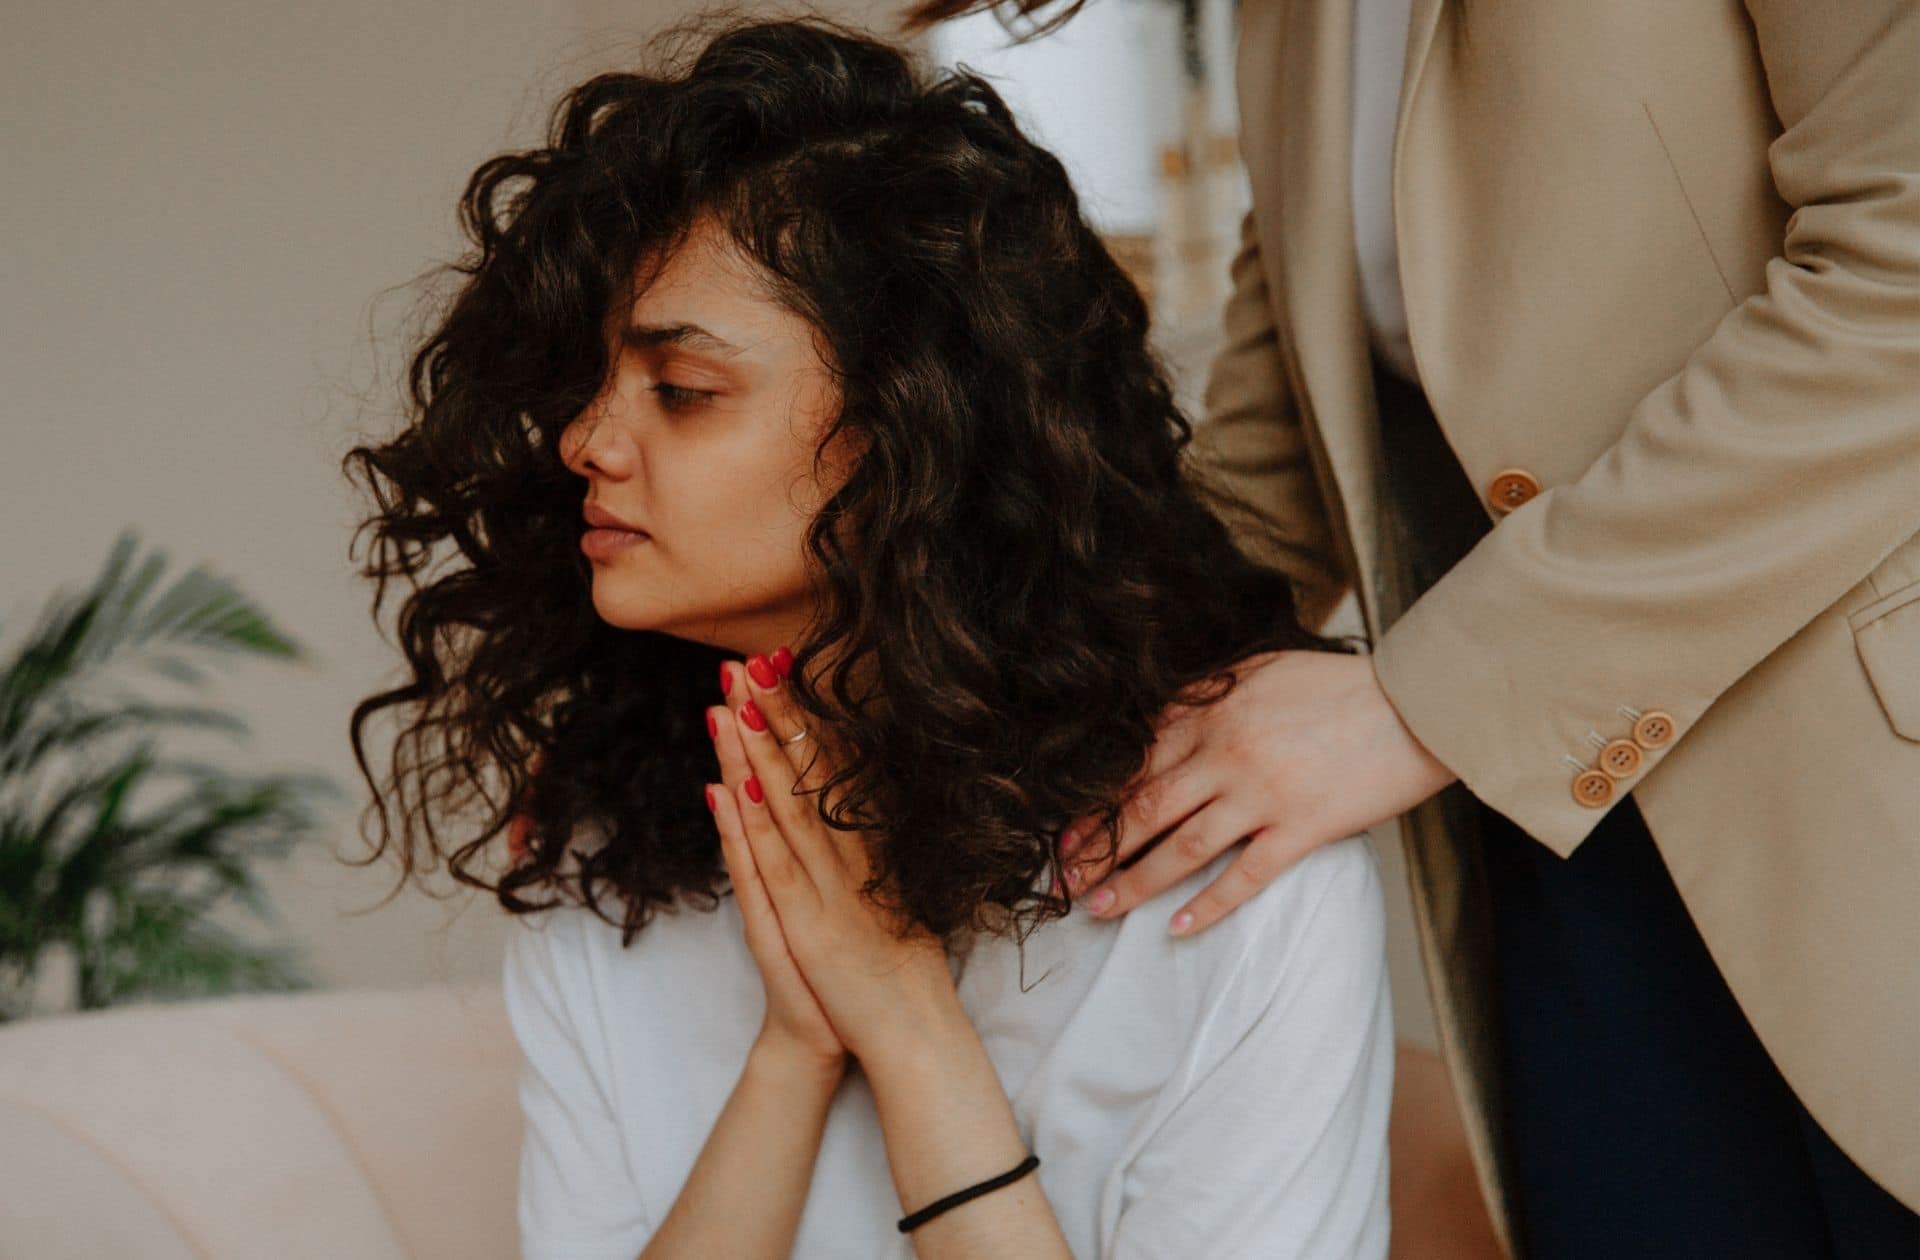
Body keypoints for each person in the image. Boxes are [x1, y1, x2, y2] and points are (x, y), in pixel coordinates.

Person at [342, 13, 1396, 1257]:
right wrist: (794, 1053)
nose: (585, 441)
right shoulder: (603, 853)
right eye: (592, 385)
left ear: (918, 429)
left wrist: (904, 1020)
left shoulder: (1234, 874)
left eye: (681, 391)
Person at [896, 0, 1920, 1254]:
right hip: (1556, 824)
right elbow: (1296, 377)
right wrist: (988, 677)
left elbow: (1905, 275)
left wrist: (1419, 700)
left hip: (1859, 786)